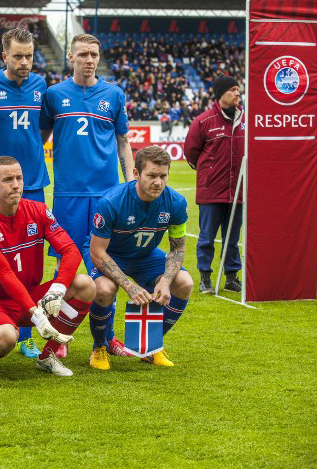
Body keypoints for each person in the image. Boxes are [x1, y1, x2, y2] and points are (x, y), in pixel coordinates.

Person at [40, 33, 134, 359]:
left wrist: (130, 182)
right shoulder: (53, 95)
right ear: (71, 57)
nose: (89, 59)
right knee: (63, 271)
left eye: (94, 54)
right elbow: (37, 137)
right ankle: (57, 338)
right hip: (68, 196)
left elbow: (123, 141)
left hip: (107, 196)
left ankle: (106, 339)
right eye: (82, 54)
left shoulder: (113, 94)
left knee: (108, 269)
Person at [0, 156, 95, 377]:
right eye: (7, 179)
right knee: (5, 339)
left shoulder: (38, 210)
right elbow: (4, 274)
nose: (15, 185)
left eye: (19, 178)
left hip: (32, 295)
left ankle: (48, 356)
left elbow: (70, 250)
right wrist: (36, 314)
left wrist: (58, 289)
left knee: (86, 284)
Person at [0, 27, 51, 359]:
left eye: (29, 56)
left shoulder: (40, 86)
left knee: (32, 264)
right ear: (4, 56)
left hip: (32, 183)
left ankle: (29, 332)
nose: (24, 62)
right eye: (17, 56)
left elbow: (43, 127)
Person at [82, 146, 192, 370]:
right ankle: (100, 347)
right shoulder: (112, 201)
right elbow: (97, 252)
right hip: (108, 253)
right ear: (136, 174)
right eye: (151, 175)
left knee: (184, 283)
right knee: (104, 289)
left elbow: (178, 248)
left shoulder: (176, 203)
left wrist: (166, 280)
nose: (158, 183)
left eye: (163, 176)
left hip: (145, 255)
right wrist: (128, 285)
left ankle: (151, 346)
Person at [184, 74, 244, 293]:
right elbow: (190, 153)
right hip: (212, 191)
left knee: (233, 239)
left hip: (238, 191)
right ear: (221, 94)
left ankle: (231, 277)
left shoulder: (246, 121)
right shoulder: (203, 121)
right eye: (233, 89)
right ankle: (205, 278)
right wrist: (207, 175)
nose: (238, 93)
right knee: (207, 237)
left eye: (238, 89)